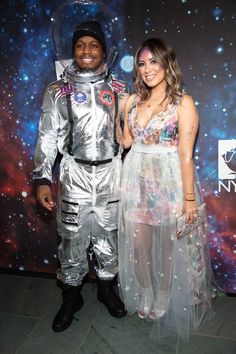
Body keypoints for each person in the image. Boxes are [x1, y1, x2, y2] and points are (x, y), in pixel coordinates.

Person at [33, 21, 129, 332]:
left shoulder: (119, 89)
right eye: (80, 45)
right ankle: (71, 297)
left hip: (111, 173)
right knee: (72, 240)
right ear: (73, 50)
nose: (86, 50)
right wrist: (41, 179)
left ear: (104, 51)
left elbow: (132, 136)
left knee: (108, 238)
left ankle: (105, 289)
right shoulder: (57, 90)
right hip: (74, 173)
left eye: (93, 45)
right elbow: (47, 137)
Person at [118, 37, 212, 340]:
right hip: (137, 181)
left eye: (153, 61)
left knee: (168, 247)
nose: (147, 69)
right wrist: (119, 114)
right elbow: (126, 143)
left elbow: (186, 154)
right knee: (138, 244)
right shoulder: (132, 100)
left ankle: (162, 295)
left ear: (166, 62)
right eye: (142, 64)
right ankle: (145, 291)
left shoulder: (182, 102)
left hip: (169, 182)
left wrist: (188, 200)